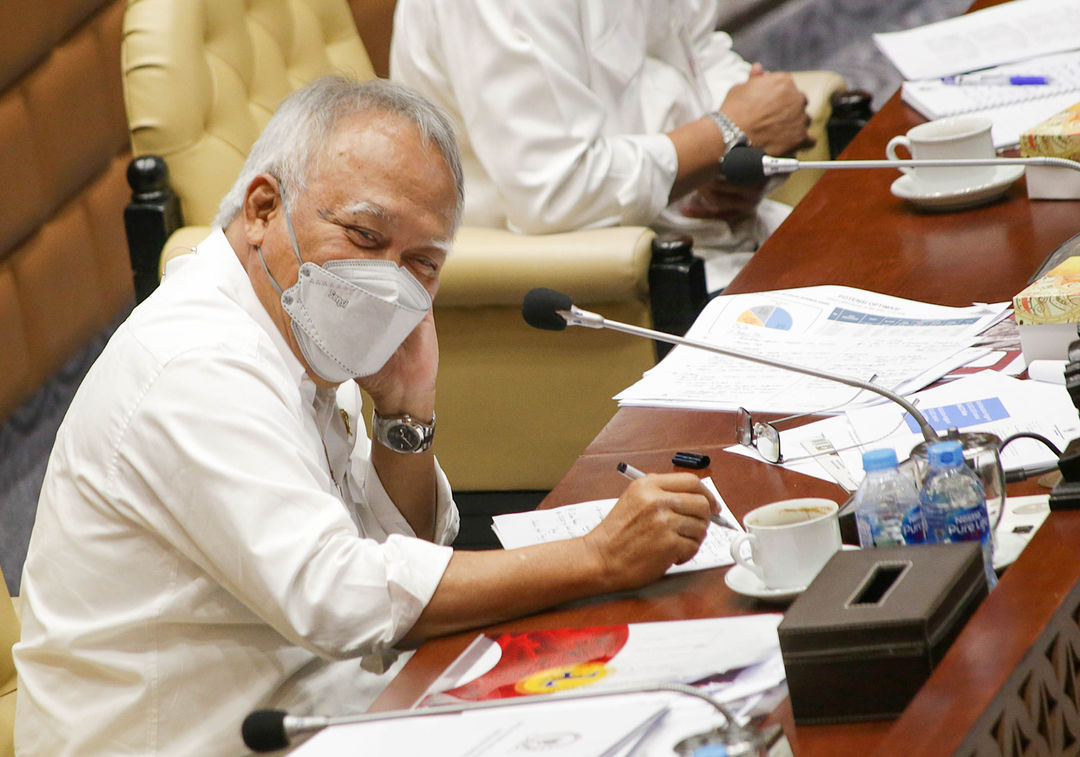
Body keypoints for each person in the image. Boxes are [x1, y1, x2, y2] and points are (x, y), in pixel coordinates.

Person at [12, 77, 718, 756]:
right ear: (263, 208)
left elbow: (401, 557)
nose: (390, 281)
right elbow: (340, 596)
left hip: (328, 704)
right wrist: (595, 557)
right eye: (365, 236)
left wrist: (404, 416)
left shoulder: (298, 322)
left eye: (422, 262)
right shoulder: (194, 363)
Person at [390, 0, 815, 292]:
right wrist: (721, 135)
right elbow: (556, 189)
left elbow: (697, 49)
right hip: (610, 287)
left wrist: (748, 144)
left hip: (719, 233)